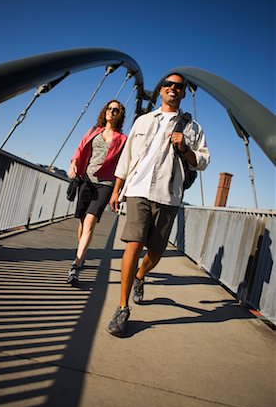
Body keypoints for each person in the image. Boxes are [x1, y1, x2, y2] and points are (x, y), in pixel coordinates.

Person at [106, 73, 210, 337]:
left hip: (168, 195)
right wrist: (117, 190)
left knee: (155, 252)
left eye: (179, 87)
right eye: (168, 85)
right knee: (133, 243)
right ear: (160, 90)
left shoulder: (194, 128)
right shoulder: (142, 120)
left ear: (184, 94)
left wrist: (186, 148)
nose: (173, 89)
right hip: (138, 190)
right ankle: (122, 307)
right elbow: (126, 158)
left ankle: (141, 275)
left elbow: (204, 161)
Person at [67, 99, 127, 285]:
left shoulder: (122, 139)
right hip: (86, 180)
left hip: (105, 184)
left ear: (120, 115)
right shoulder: (94, 131)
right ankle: (82, 253)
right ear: (105, 111)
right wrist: (73, 164)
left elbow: (123, 166)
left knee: (91, 220)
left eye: (116, 110)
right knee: (83, 221)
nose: (112, 112)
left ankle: (76, 265)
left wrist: (118, 191)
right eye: (109, 109)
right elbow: (79, 150)